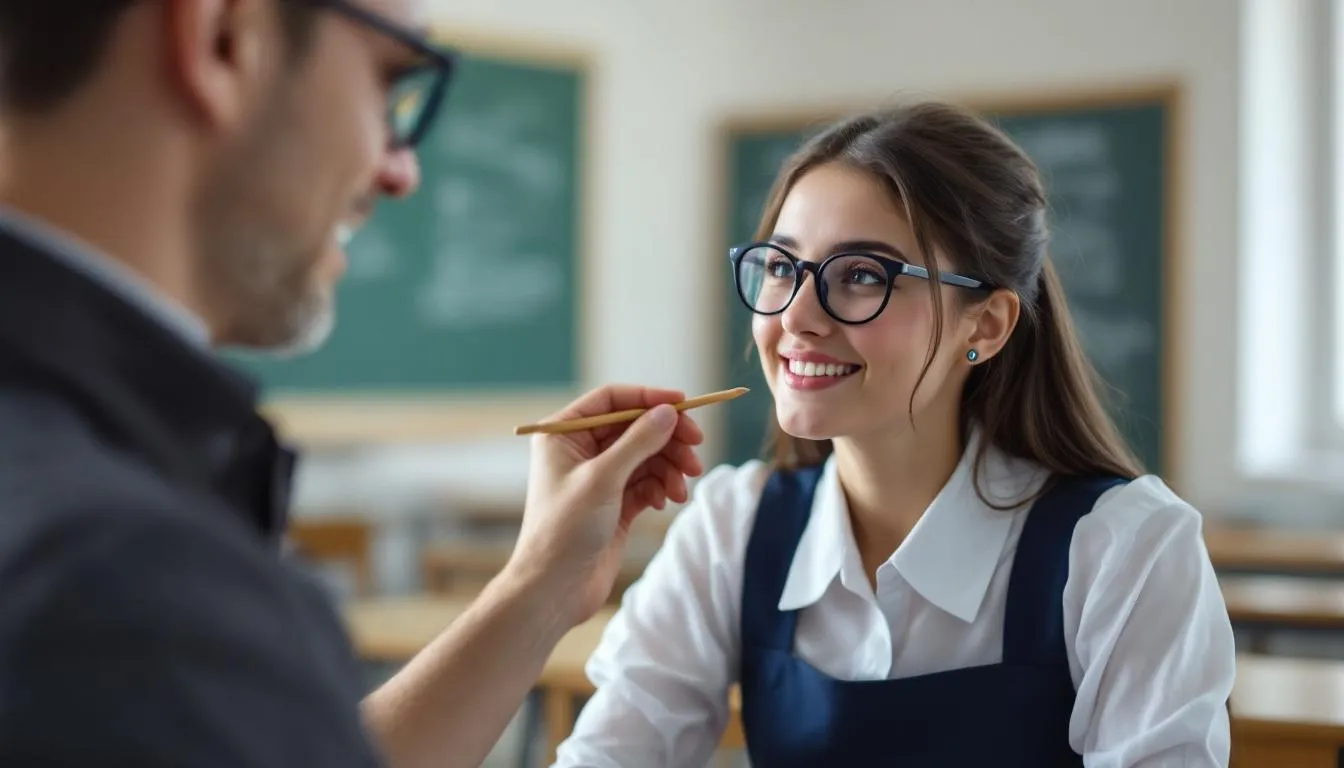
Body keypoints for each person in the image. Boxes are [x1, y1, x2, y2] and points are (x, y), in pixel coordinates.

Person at [0, 1, 706, 766]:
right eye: (389, 82)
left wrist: (539, 585)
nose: (401, 171)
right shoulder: (130, 593)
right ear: (224, 40)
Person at [554, 101, 1237, 767]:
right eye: (783, 268)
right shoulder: (732, 527)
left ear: (987, 325)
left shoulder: (1127, 548)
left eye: (861, 276)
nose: (797, 318)